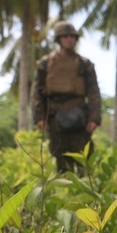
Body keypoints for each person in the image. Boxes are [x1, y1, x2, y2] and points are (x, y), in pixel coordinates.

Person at [32, 20, 101, 175]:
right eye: (65, 36)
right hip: (55, 116)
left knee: (83, 160)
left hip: (80, 117)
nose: (69, 39)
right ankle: (65, 196)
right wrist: (39, 117)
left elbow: (94, 92)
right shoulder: (45, 63)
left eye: (72, 36)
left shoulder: (84, 64)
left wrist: (94, 118)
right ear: (59, 39)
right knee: (61, 160)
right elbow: (37, 92)